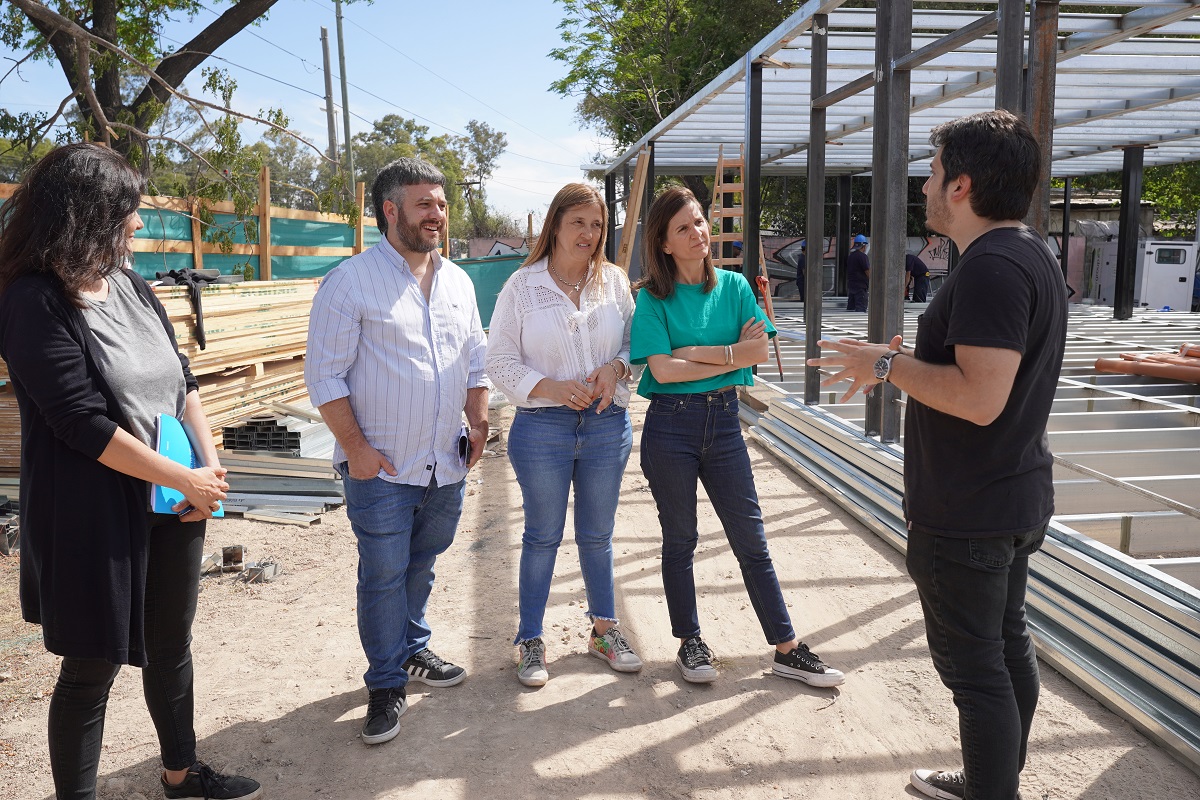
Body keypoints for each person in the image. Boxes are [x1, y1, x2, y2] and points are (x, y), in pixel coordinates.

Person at [807, 110, 1067, 800]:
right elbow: (989, 378)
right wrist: (903, 358)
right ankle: (993, 780)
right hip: (1008, 496)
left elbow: (981, 397)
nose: (923, 184)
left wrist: (888, 370)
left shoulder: (991, 268)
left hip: (970, 510)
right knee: (1005, 647)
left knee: (976, 671)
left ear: (962, 185)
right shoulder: (1028, 253)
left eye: (933, 171)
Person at [0, 143, 260, 800]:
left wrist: (208, 471)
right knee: (92, 669)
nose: (138, 225)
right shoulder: (32, 300)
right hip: (92, 515)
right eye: (128, 213)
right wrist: (185, 478)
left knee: (170, 646)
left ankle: (182, 775)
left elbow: (182, 379)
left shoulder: (132, 285)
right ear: (86, 214)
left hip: (173, 497)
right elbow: (80, 422)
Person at [630, 186, 846, 689]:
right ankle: (690, 642)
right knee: (680, 539)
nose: (698, 233)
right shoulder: (652, 298)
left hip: (726, 423)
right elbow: (660, 369)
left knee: (751, 539)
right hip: (671, 426)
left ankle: (788, 649)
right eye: (683, 228)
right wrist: (730, 353)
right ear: (663, 242)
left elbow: (758, 355)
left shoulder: (734, 286)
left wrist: (703, 352)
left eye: (701, 222)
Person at [305, 157, 488, 746]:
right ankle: (385, 683)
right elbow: (324, 376)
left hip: (446, 461)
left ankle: (412, 649)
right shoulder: (350, 282)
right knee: (383, 575)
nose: (437, 215)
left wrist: (478, 419)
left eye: (441, 204)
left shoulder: (458, 281)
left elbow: (476, 357)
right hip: (381, 467)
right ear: (391, 211)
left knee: (423, 563)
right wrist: (355, 449)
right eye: (424, 205)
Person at [485, 183, 641, 687]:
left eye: (597, 225)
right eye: (578, 222)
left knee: (597, 536)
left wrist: (615, 368)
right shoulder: (522, 286)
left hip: (605, 426)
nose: (589, 234)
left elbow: (639, 342)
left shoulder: (614, 283)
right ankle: (530, 639)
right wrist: (548, 386)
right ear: (555, 224)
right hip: (542, 430)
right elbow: (499, 360)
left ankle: (603, 630)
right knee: (542, 536)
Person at [846, 233, 870, 311]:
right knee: (860, 310)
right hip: (861, 288)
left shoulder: (851, 256)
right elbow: (867, 271)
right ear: (863, 246)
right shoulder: (863, 257)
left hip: (851, 287)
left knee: (851, 310)